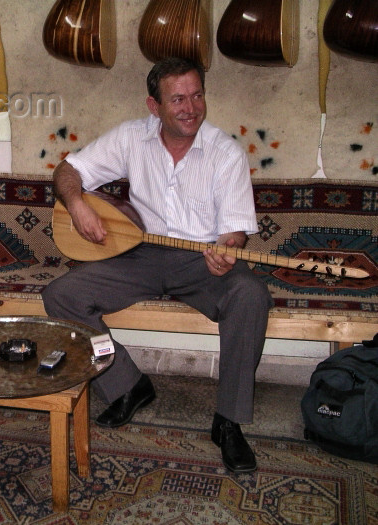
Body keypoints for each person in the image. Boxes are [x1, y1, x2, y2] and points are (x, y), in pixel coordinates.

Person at [42, 57, 273, 473]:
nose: (191, 107)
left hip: (201, 258)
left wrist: (227, 249)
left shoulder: (226, 152)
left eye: (197, 95)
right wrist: (76, 204)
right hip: (140, 253)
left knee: (251, 294)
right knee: (62, 295)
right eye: (178, 99)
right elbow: (68, 170)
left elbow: (236, 231)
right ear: (155, 107)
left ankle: (230, 421)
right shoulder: (132, 137)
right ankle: (126, 384)